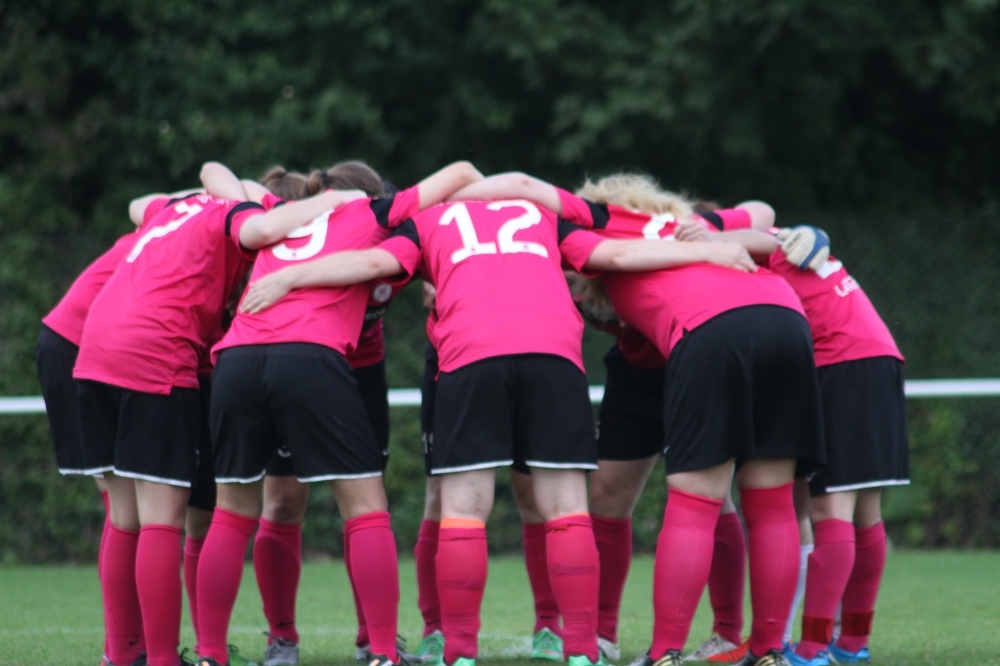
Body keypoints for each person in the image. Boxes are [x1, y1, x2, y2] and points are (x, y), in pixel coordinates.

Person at [238, 187, 757, 666]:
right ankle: (582, 650)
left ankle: (460, 651)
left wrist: (289, 276)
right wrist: (707, 252)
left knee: (464, 509)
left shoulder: (430, 218)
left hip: (472, 352)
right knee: (566, 507)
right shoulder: (540, 214)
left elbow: (373, 262)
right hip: (553, 354)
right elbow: (617, 256)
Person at [431, 171, 825, 666]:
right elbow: (763, 211)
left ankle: (666, 651)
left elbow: (524, 187)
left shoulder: (596, 219)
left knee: (696, 499)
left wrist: (421, 201)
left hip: (708, 328)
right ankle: (770, 650)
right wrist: (737, 236)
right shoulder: (684, 221)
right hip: (783, 317)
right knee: (770, 501)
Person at [193, 160, 483, 666]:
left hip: (238, 360)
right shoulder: (376, 212)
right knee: (366, 510)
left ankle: (211, 655)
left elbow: (217, 173)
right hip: (310, 356)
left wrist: (310, 206)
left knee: (231, 514)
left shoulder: (280, 212)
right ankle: (381, 653)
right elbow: (460, 171)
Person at [73, 162, 356, 666]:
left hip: (95, 348)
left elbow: (147, 199)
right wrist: (331, 201)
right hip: (155, 352)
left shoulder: (179, 206)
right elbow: (261, 229)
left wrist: (222, 188)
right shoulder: (238, 215)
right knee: (162, 521)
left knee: (124, 518)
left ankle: (122, 655)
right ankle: (162, 659)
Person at [763, 230, 908, 666]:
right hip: (878, 359)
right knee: (866, 512)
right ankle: (852, 640)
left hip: (843, 364)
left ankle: (812, 648)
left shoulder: (755, 244)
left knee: (830, 509)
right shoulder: (790, 240)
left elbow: (756, 220)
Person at [414, 283, 566, 666]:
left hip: (530, 347)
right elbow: (416, 267)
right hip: (457, 354)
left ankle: (549, 624)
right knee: (442, 499)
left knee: (535, 496)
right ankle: (435, 628)